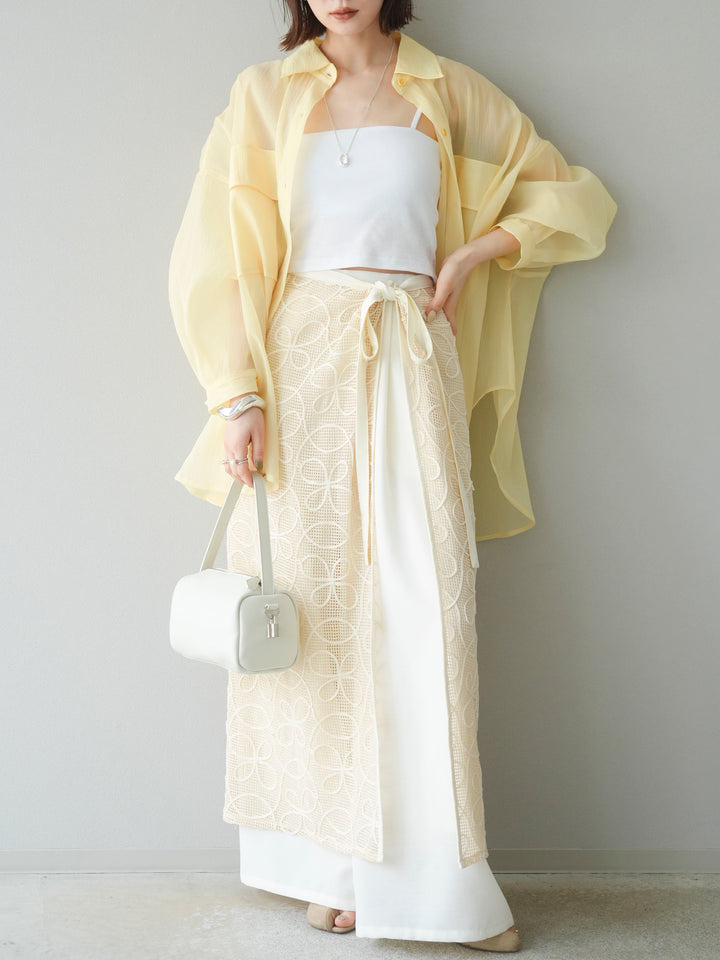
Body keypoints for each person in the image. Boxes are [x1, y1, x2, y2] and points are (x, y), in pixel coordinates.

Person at [168, 0, 616, 950]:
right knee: (314, 613)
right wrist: (236, 395)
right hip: (300, 372)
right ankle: (330, 870)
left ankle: (435, 888)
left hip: (411, 354)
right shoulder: (263, 95)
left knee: (424, 606)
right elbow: (216, 255)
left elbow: (575, 199)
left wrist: (475, 251)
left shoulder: (450, 92)